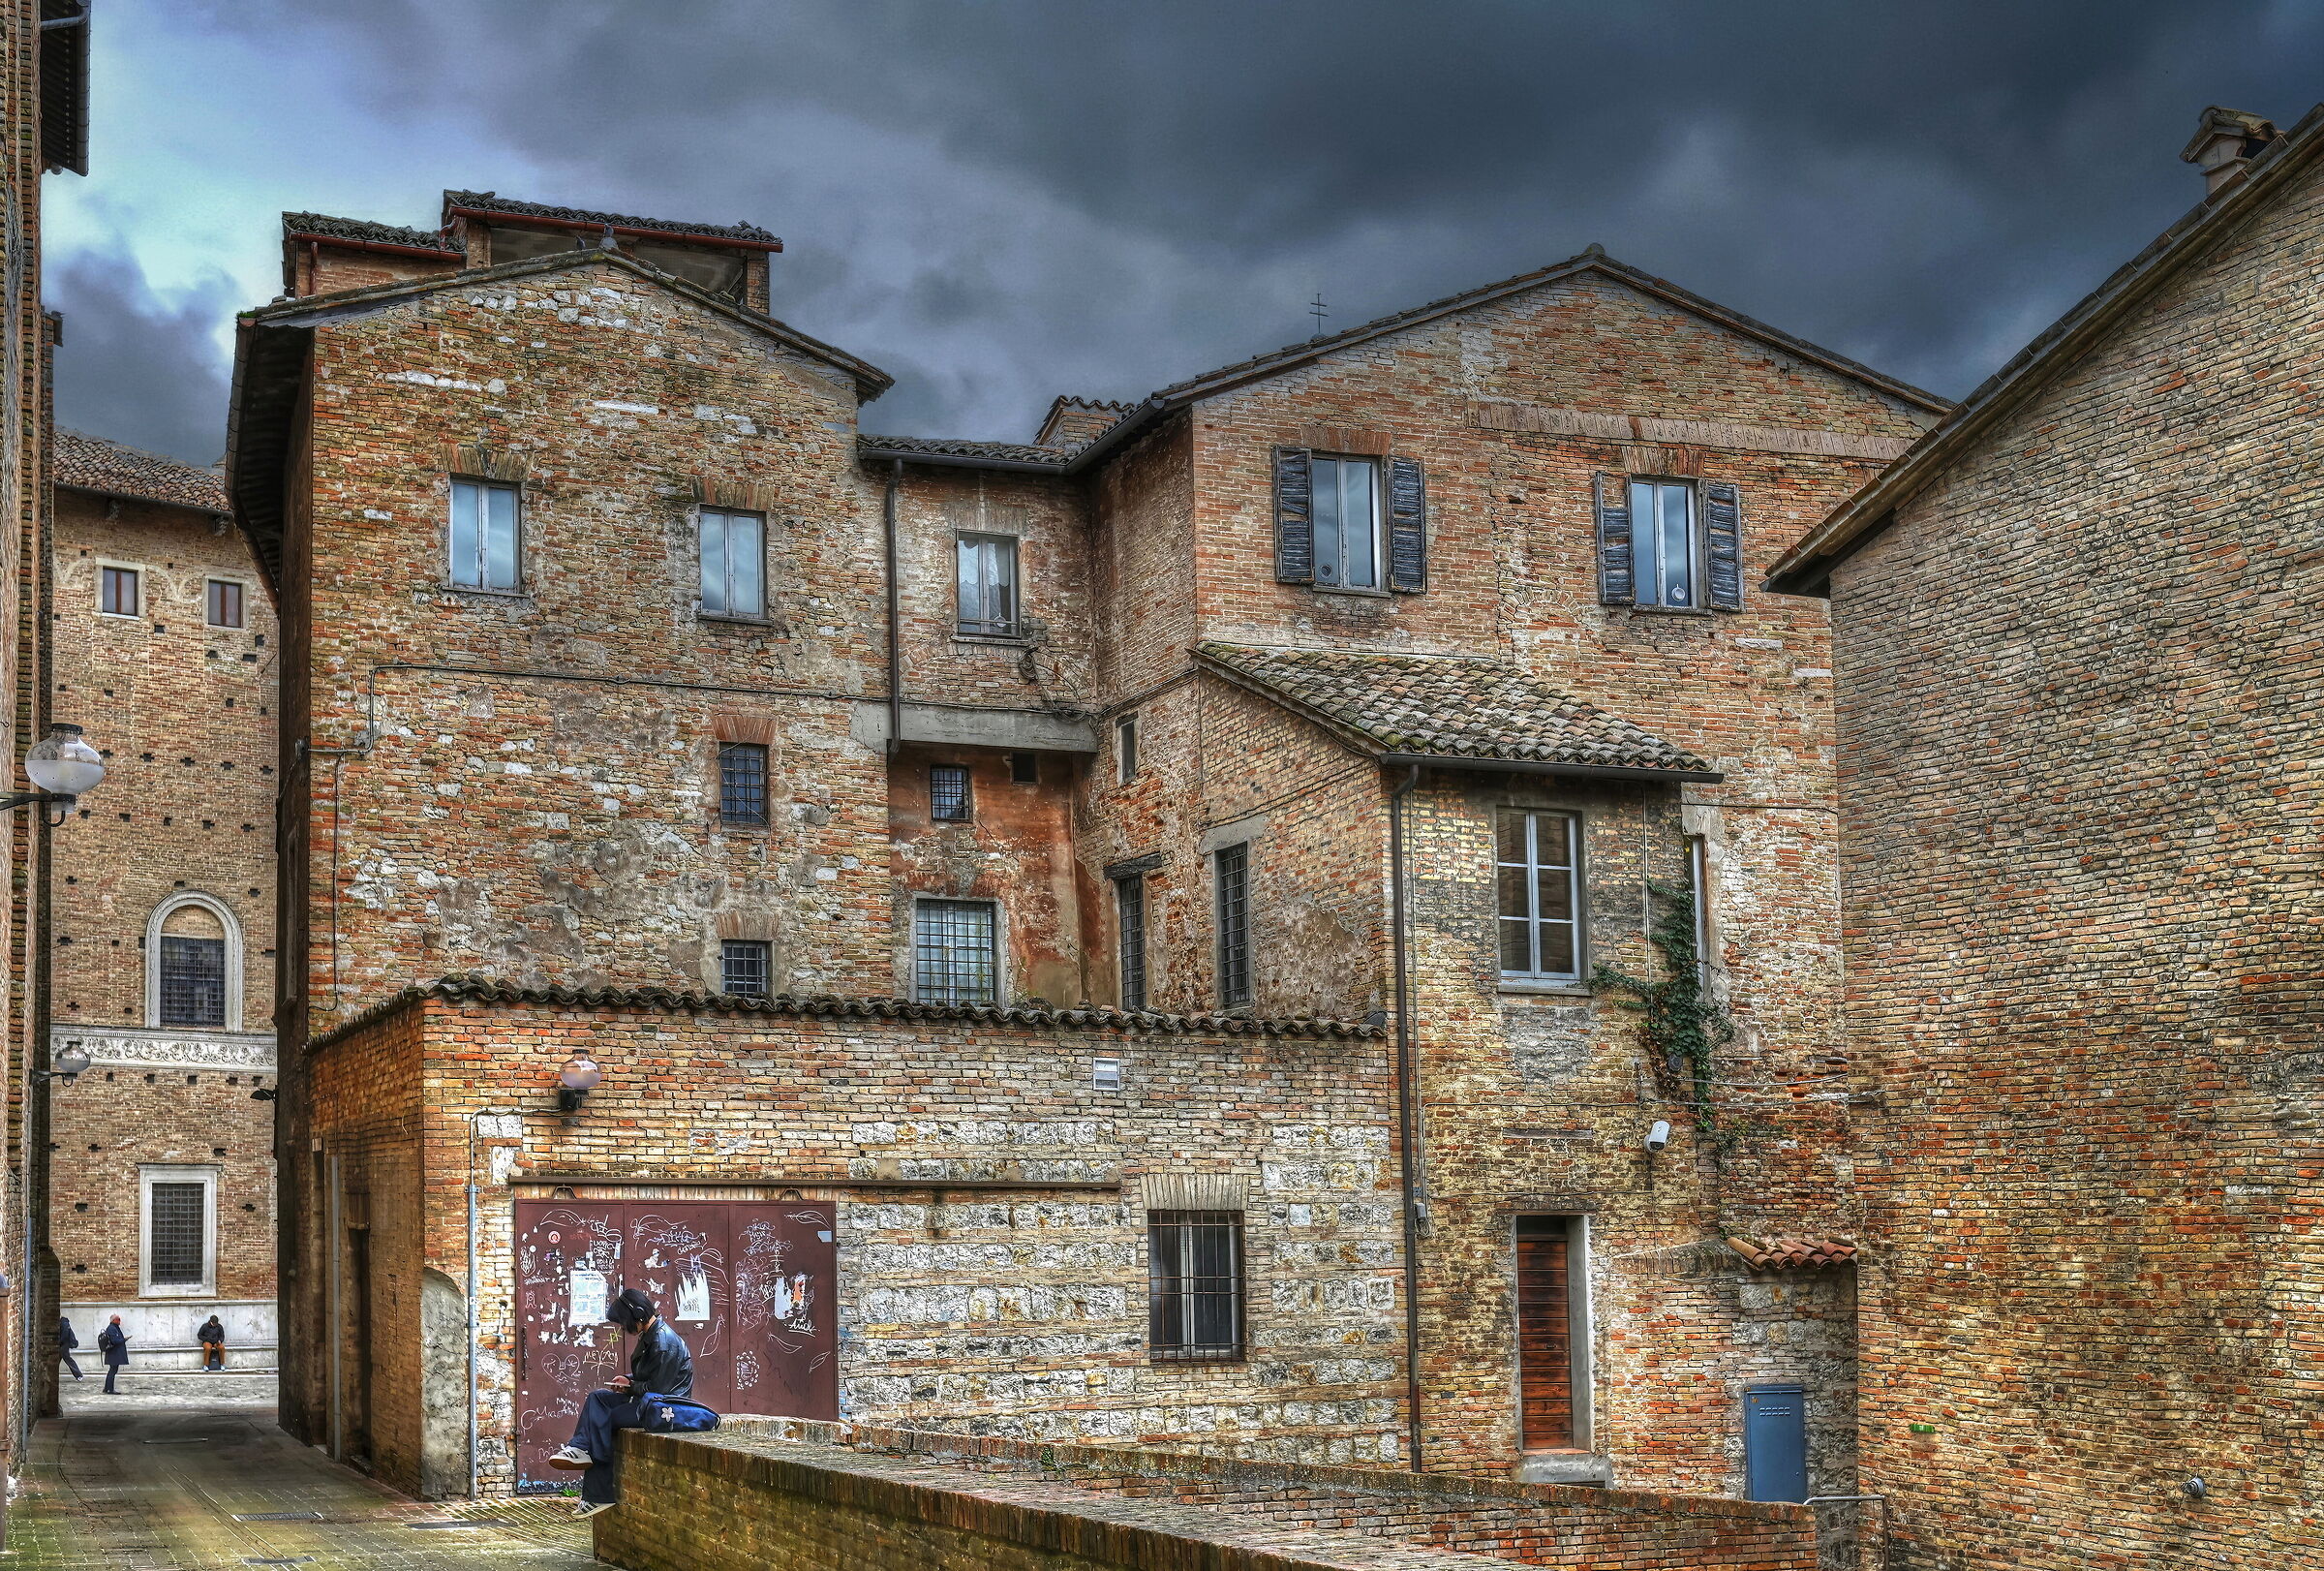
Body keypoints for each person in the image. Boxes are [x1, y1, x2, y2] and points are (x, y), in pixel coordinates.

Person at [547, 1286, 691, 1519]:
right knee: (597, 1398)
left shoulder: (664, 1342)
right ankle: (581, 1448)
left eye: (624, 1323)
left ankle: (597, 1493)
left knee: (606, 1419)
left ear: (639, 1315)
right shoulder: (652, 1334)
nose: (623, 1329)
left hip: (664, 1408)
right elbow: (651, 1378)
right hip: (648, 1400)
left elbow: (660, 1389)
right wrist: (628, 1380)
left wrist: (631, 1386)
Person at [97, 1314, 128, 1394]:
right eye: (118, 1319)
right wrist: (123, 1340)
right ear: (113, 1320)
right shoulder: (112, 1328)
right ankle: (110, 1389)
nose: (119, 1321)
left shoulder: (114, 1328)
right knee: (113, 1371)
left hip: (114, 1353)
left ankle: (106, 1388)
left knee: (112, 1370)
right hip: (114, 1353)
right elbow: (114, 1341)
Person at [57, 1316, 81, 1381]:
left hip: (64, 1345)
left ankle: (78, 1375)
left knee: (68, 1360)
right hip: (63, 1344)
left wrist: (60, 1341)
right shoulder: (64, 1322)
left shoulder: (64, 1323)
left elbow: (64, 1335)